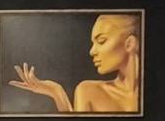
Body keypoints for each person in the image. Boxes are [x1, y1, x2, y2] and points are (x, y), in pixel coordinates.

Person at [8, 13, 142, 114]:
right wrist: (57, 92)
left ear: (129, 44)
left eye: (101, 41)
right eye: (93, 43)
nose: (92, 51)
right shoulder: (88, 91)